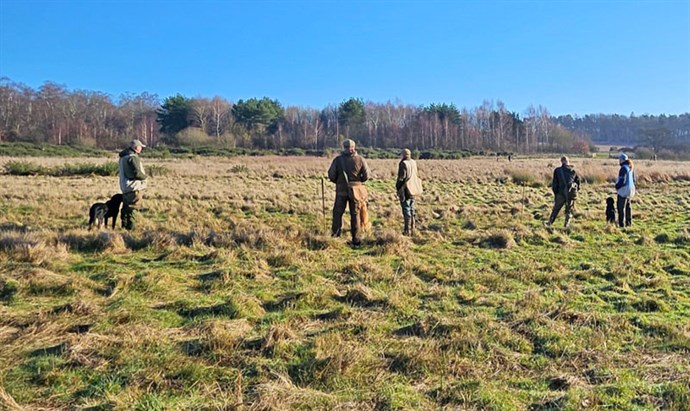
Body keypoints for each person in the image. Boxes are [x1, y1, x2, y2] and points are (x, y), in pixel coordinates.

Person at [327, 139, 370, 246]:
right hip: (356, 191)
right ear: (354, 147)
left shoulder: (337, 160)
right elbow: (366, 176)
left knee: (337, 213)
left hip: (341, 191)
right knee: (355, 214)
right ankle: (356, 239)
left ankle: (335, 236)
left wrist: (339, 182)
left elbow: (331, 175)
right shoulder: (361, 159)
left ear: (344, 147)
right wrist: (358, 182)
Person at [118, 139, 148, 230]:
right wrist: (145, 177)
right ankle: (131, 229)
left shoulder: (123, 157)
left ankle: (124, 227)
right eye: (140, 147)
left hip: (125, 186)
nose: (141, 149)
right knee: (133, 209)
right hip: (134, 186)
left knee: (126, 208)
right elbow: (137, 173)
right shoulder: (133, 157)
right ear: (136, 148)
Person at [546, 156, 581, 228]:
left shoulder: (557, 170)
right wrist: (575, 191)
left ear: (561, 161)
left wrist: (555, 192)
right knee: (569, 210)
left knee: (556, 209)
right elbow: (578, 182)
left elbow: (555, 183)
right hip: (570, 193)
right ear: (568, 161)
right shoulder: (573, 171)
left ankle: (550, 223)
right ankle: (566, 225)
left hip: (560, 193)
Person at [396, 148, 423, 236]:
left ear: (403, 155)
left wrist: (398, 187)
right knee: (412, 208)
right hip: (413, 188)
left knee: (406, 208)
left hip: (406, 189)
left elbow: (401, 177)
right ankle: (413, 228)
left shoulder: (403, 164)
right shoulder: (413, 162)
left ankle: (407, 230)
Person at [615, 153, 636, 227]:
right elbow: (634, 180)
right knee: (628, 207)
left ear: (622, 160)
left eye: (619, 160)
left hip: (624, 190)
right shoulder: (631, 167)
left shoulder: (623, 168)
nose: (619, 161)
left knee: (621, 207)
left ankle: (621, 224)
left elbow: (622, 180)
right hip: (631, 189)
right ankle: (629, 223)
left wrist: (617, 186)